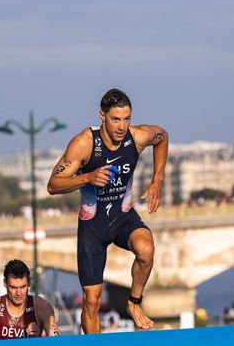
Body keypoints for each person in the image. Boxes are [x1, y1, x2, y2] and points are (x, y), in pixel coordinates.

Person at [47, 88, 168, 333]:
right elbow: (53, 185)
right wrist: (87, 177)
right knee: (91, 301)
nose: (122, 126)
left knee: (146, 249)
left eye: (126, 119)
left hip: (123, 216)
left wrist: (157, 180)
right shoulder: (84, 143)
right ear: (102, 115)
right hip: (93, 225)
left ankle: (134, 303)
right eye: (116, 119)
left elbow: (162, 136)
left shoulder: (137, 137)